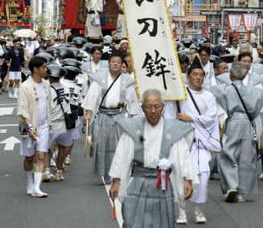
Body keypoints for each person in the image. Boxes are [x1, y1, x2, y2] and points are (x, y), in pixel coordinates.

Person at [109, 89, 195, 228]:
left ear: (163, 107)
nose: (153, 110)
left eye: (157, 106)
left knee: (162, 222)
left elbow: (182, 157)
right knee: (133, 221)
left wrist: (187, 179)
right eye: (148, 106)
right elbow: (122, 156)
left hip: (163, 184)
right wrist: (116, 181)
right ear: (142, 108)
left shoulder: (173, 130)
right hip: (138, 182)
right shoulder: (134, 128)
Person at [172, 58, 221, 225]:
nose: (198, 78)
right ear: (188, 76)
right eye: (194, 74)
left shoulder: (209, 96)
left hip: (201, 143)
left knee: (203, 177)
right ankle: (181, 211)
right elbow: (172, 115)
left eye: (201, 75)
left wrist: (190, 118)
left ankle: (199, 209)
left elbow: (211, 118)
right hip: (183, 141)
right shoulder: (180, 94)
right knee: (180, 176)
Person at [83, 53, 141, 181]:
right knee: (103, 145)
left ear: (122, 65)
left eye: (118, 62)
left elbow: (132, 101)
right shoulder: (100, 78)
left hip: (120, 116)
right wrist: (88, 113)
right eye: (113, 61)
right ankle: (106, 173)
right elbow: (92, 96)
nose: (115, 64)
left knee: (119, 146)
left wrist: (133, 117)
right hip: (103, 115)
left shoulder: (127, 81)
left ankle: (118, 173)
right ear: (108, 63)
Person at [212, 62, 263, 202]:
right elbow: (257, 108)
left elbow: (211, 90)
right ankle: (242, 191)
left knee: (229, 152)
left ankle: (231, 185)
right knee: (247, 157)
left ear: (231, 75)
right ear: (245, 74)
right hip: (248, 122)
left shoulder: (225, 89)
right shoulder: (254, 91)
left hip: (234, 121)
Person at [18, 56, 51, 198]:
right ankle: (30, 182)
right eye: (43, 67)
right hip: (29, 127)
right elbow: (22, 109)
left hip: (44, 126)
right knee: (29, 158)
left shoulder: (46, 84)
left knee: (41, 155)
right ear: (35, 69)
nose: (46, 69)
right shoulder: (25, 86)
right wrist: (30, 127)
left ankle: (37, 187)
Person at [48, 64, 74, 182]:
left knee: (48, 148)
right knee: (63, 148)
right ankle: (59, 171)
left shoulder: (48, 90)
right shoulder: (67, 88)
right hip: (65, 123)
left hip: (52, 122)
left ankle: (46, 171)